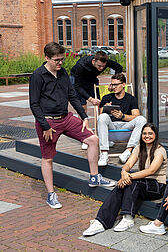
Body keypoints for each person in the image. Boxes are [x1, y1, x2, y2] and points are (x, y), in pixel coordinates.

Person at [29, 42, 115, 209]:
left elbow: (72, 95)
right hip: (48, 123)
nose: (60, 63)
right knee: (47, 158)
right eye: (56, 60)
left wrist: (84, 116)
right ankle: (51, 195)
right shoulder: (38, 76)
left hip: (66, 118)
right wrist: (45, 125)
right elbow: (34, 104)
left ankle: (94, 177)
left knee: (93, 139)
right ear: (47, 58)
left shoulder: (62, 73)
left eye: (62, 59)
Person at [83, 123, 167, 236]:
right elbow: (128, 164)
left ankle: (128, 218)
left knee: (131, 183)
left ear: (155, 135)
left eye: (150, 133)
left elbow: (151, 171)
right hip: (142, 184)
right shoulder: (139, 148)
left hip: (157, 186)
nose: (147, 136)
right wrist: (123, 173)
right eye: (144, 133)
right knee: (121, 186)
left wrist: (129, 176)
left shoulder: (160, 150)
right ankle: (101, 221)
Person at [71, 51, 123, 150]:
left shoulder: (105, 62)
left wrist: (113, 83)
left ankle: (104, 137)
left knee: (101, 106)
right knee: (82, 109)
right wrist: (90, 99)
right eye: (99, 66)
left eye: (103, 66)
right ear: (94, 60)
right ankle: (85, 138)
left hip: (92, 80)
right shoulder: (81, 65)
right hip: (78, 82)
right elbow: (78, 86)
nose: (101, 68)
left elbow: (119, 67)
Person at [97, 73, 147, 165]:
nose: (113, 87)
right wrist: (105, 108)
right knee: (102, 116)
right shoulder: (107, 98)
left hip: (125, 126)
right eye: (112, 84)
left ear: (123, 84)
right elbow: (100, 117)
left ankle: (128, 151)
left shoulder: (131, 99)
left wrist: (122, 116)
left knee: (142, 119)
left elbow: (136, 116)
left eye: (116, 85)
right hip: (111, 126)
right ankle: (104, 153)